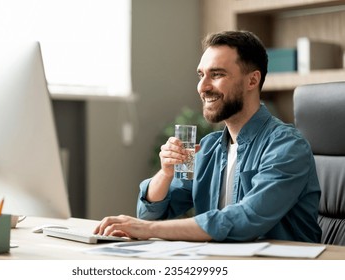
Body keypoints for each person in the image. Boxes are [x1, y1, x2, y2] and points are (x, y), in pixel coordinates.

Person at [94, 30, 322, 243]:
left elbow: (247, 218)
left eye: (217, 74)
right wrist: (165, 174)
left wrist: (148, 230)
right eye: (201, 75)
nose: (202, 87)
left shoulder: (287, 145)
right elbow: (149, 214)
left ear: (252, 80)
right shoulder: (208, 147)